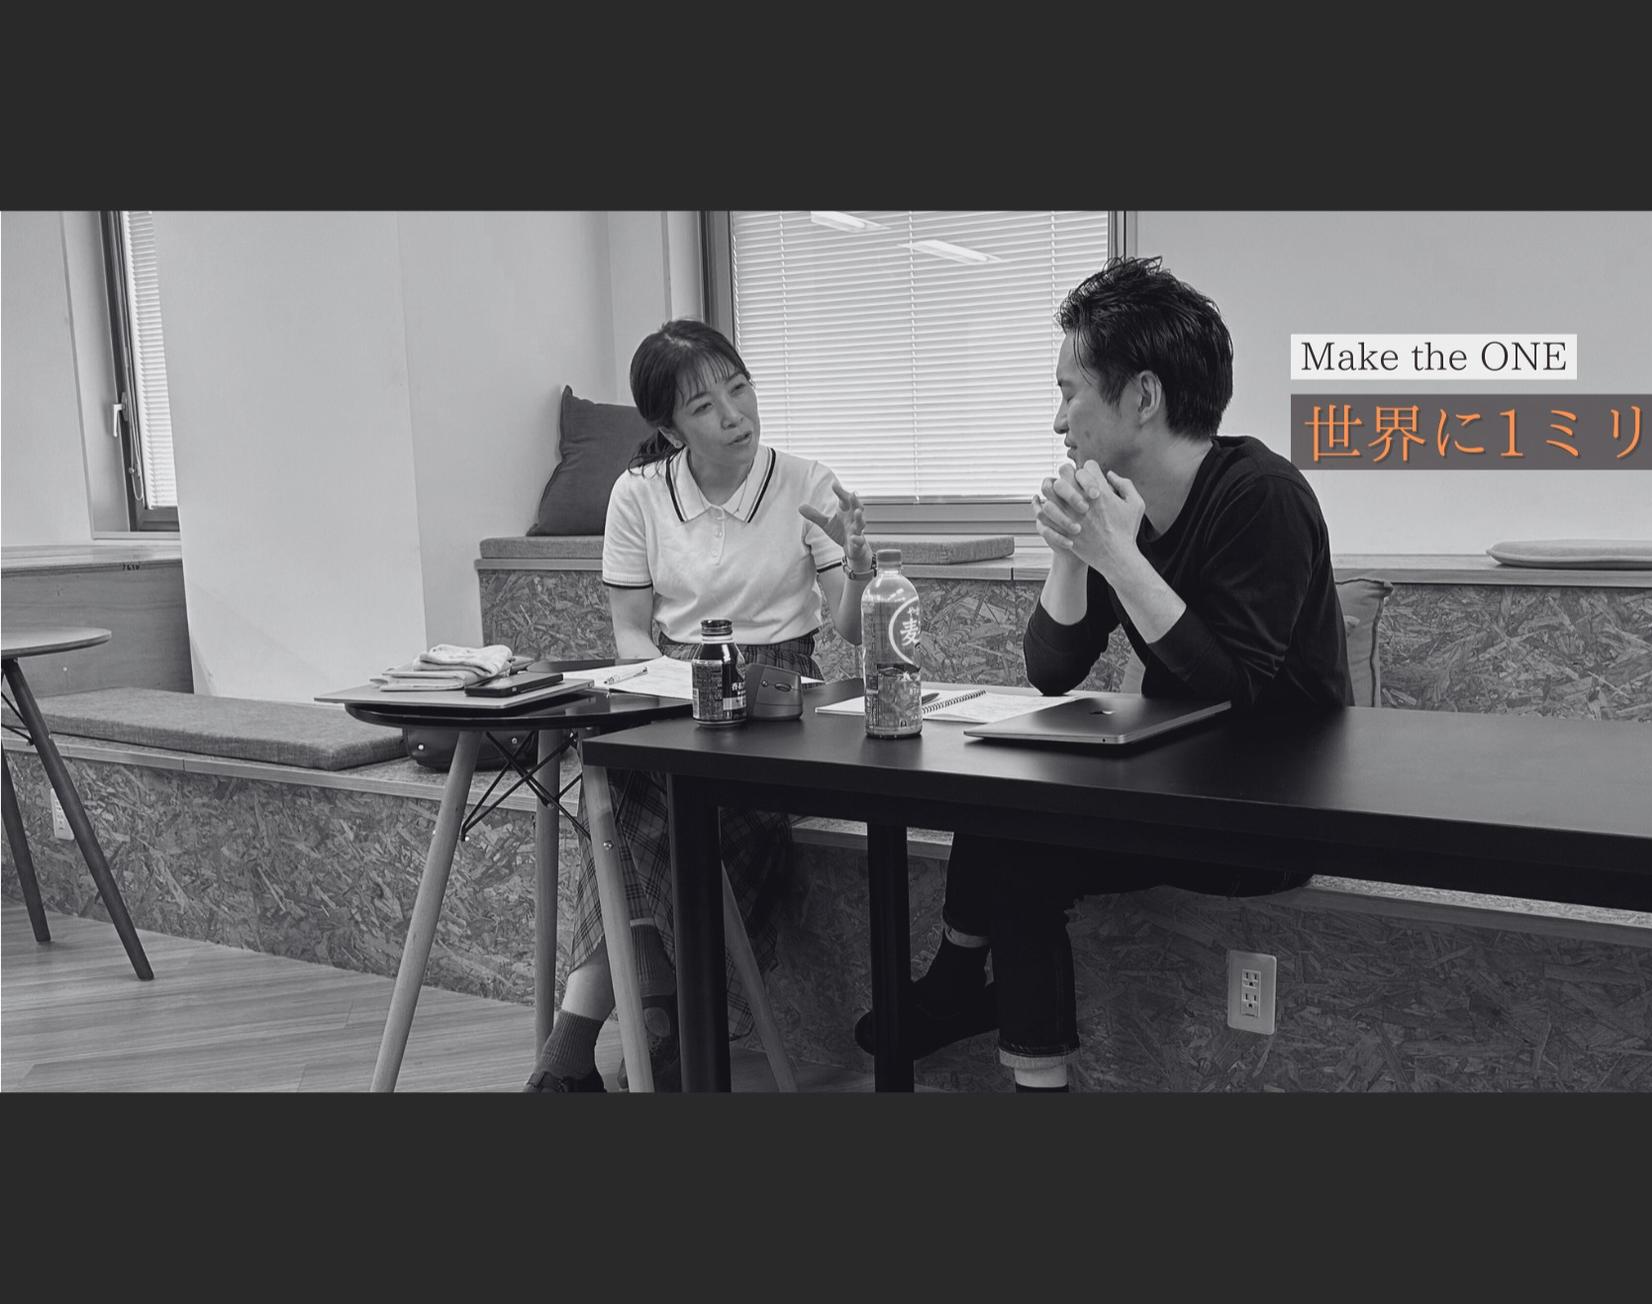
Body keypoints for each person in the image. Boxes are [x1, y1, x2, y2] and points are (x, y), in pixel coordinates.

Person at [853, 256, 1353, 1091]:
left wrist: (1116, 555)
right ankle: (958, 981)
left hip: (1271, 814)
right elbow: (1051, 671)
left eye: (1070, 392)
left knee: (1022, 850)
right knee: (998, 790)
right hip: (1174, 783)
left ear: (1143, 397)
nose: (1058, 421)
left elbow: (1233, 686)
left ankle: (970, 1004)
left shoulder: (1261, 494)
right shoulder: (1122, 504)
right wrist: (1071, 553)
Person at [526, 318, 873, 1092]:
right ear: (668, 426)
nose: (734, 415)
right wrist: (665, 683)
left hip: (780, 694)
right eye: (704, 406)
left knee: (630, 798)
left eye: (739, 389)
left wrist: (857, 566)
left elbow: (849, 627)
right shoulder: (639, 492)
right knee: (622, 775)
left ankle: (588, 1047)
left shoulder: (805, 482)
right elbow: (628, 631)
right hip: (673, 682)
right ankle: (671, 1024)